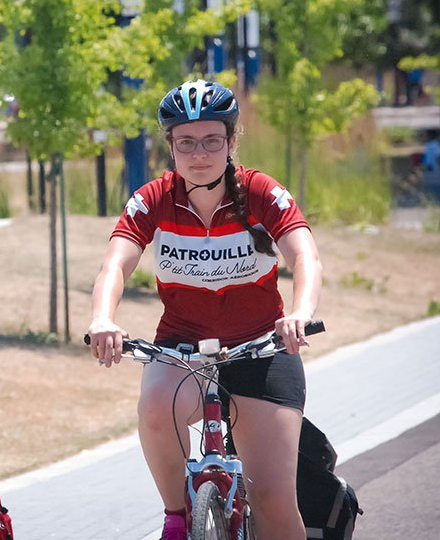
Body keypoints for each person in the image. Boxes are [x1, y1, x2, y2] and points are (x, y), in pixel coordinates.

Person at [87, 80, 323, 540]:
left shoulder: (259, 193)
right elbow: (115, 263)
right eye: (186, 142)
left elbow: (304, 256)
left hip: (261, 350)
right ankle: (177, 516)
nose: (200, 154)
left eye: (212, 140)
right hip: (182, 348)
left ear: (232, 142)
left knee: (274, 503)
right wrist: (102, 318)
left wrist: (299, 312)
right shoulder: (154, 198)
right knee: (155, 407)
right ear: (170, 147)